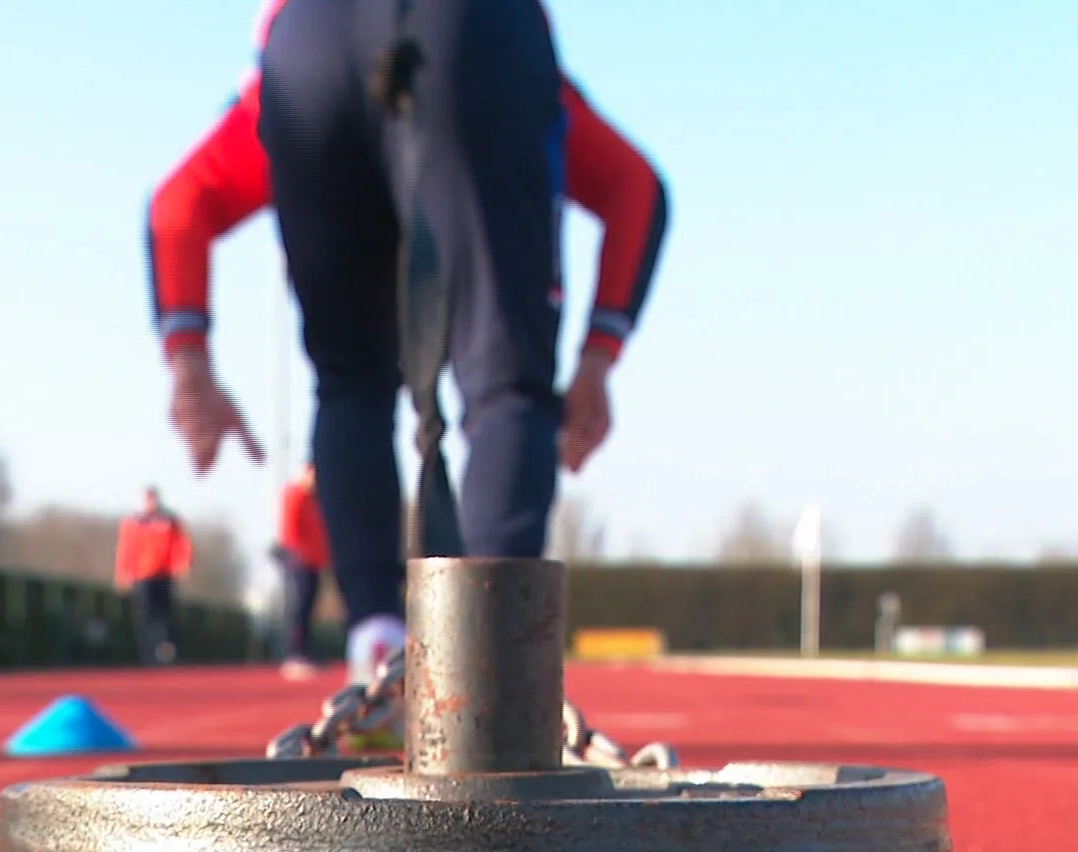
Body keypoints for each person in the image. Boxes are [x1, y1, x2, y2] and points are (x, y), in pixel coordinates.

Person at [147, 0, 668, 683]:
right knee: (506, 384)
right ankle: (492, 673)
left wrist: (191, 366)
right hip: (477, 30)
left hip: (306, 40)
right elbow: (638, 188)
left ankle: (376, 646)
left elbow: (176, 206)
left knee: (350, 380)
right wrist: (599, 357)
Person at [114, 486, 194, 665]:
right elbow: (125, 549)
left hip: (165, 575)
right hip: (142, 577)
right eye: (147, 499)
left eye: (153, 499)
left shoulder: (169, 520)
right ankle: (148, 656)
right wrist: (122, 574)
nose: (150, 502)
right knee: (145, 617)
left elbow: (182, 544)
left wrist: (183, 565)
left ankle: (168, 653)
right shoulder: (132, 522)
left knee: (167, 616)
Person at [274, 462, 329, 681]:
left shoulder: (314, 499)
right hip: (298, 561)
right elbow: (289, 529)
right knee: (298, 608)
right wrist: (296, 554)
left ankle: (305, 653)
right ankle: (294, 655)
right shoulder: (294, 494)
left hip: (314, 561)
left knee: (308, 609)